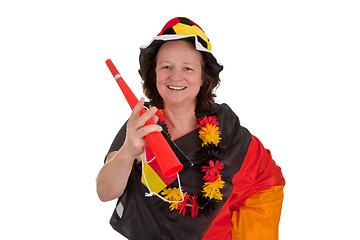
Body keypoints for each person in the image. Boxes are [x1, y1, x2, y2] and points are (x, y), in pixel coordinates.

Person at [96, 17, 285, 240]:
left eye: (188, 68)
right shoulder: (141, 123)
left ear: (204, 77)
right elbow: (105, 192)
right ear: (154, 73)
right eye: (166, 66)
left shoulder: (226, 127)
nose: (176, 76)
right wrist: (128, 151)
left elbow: (265, 177)